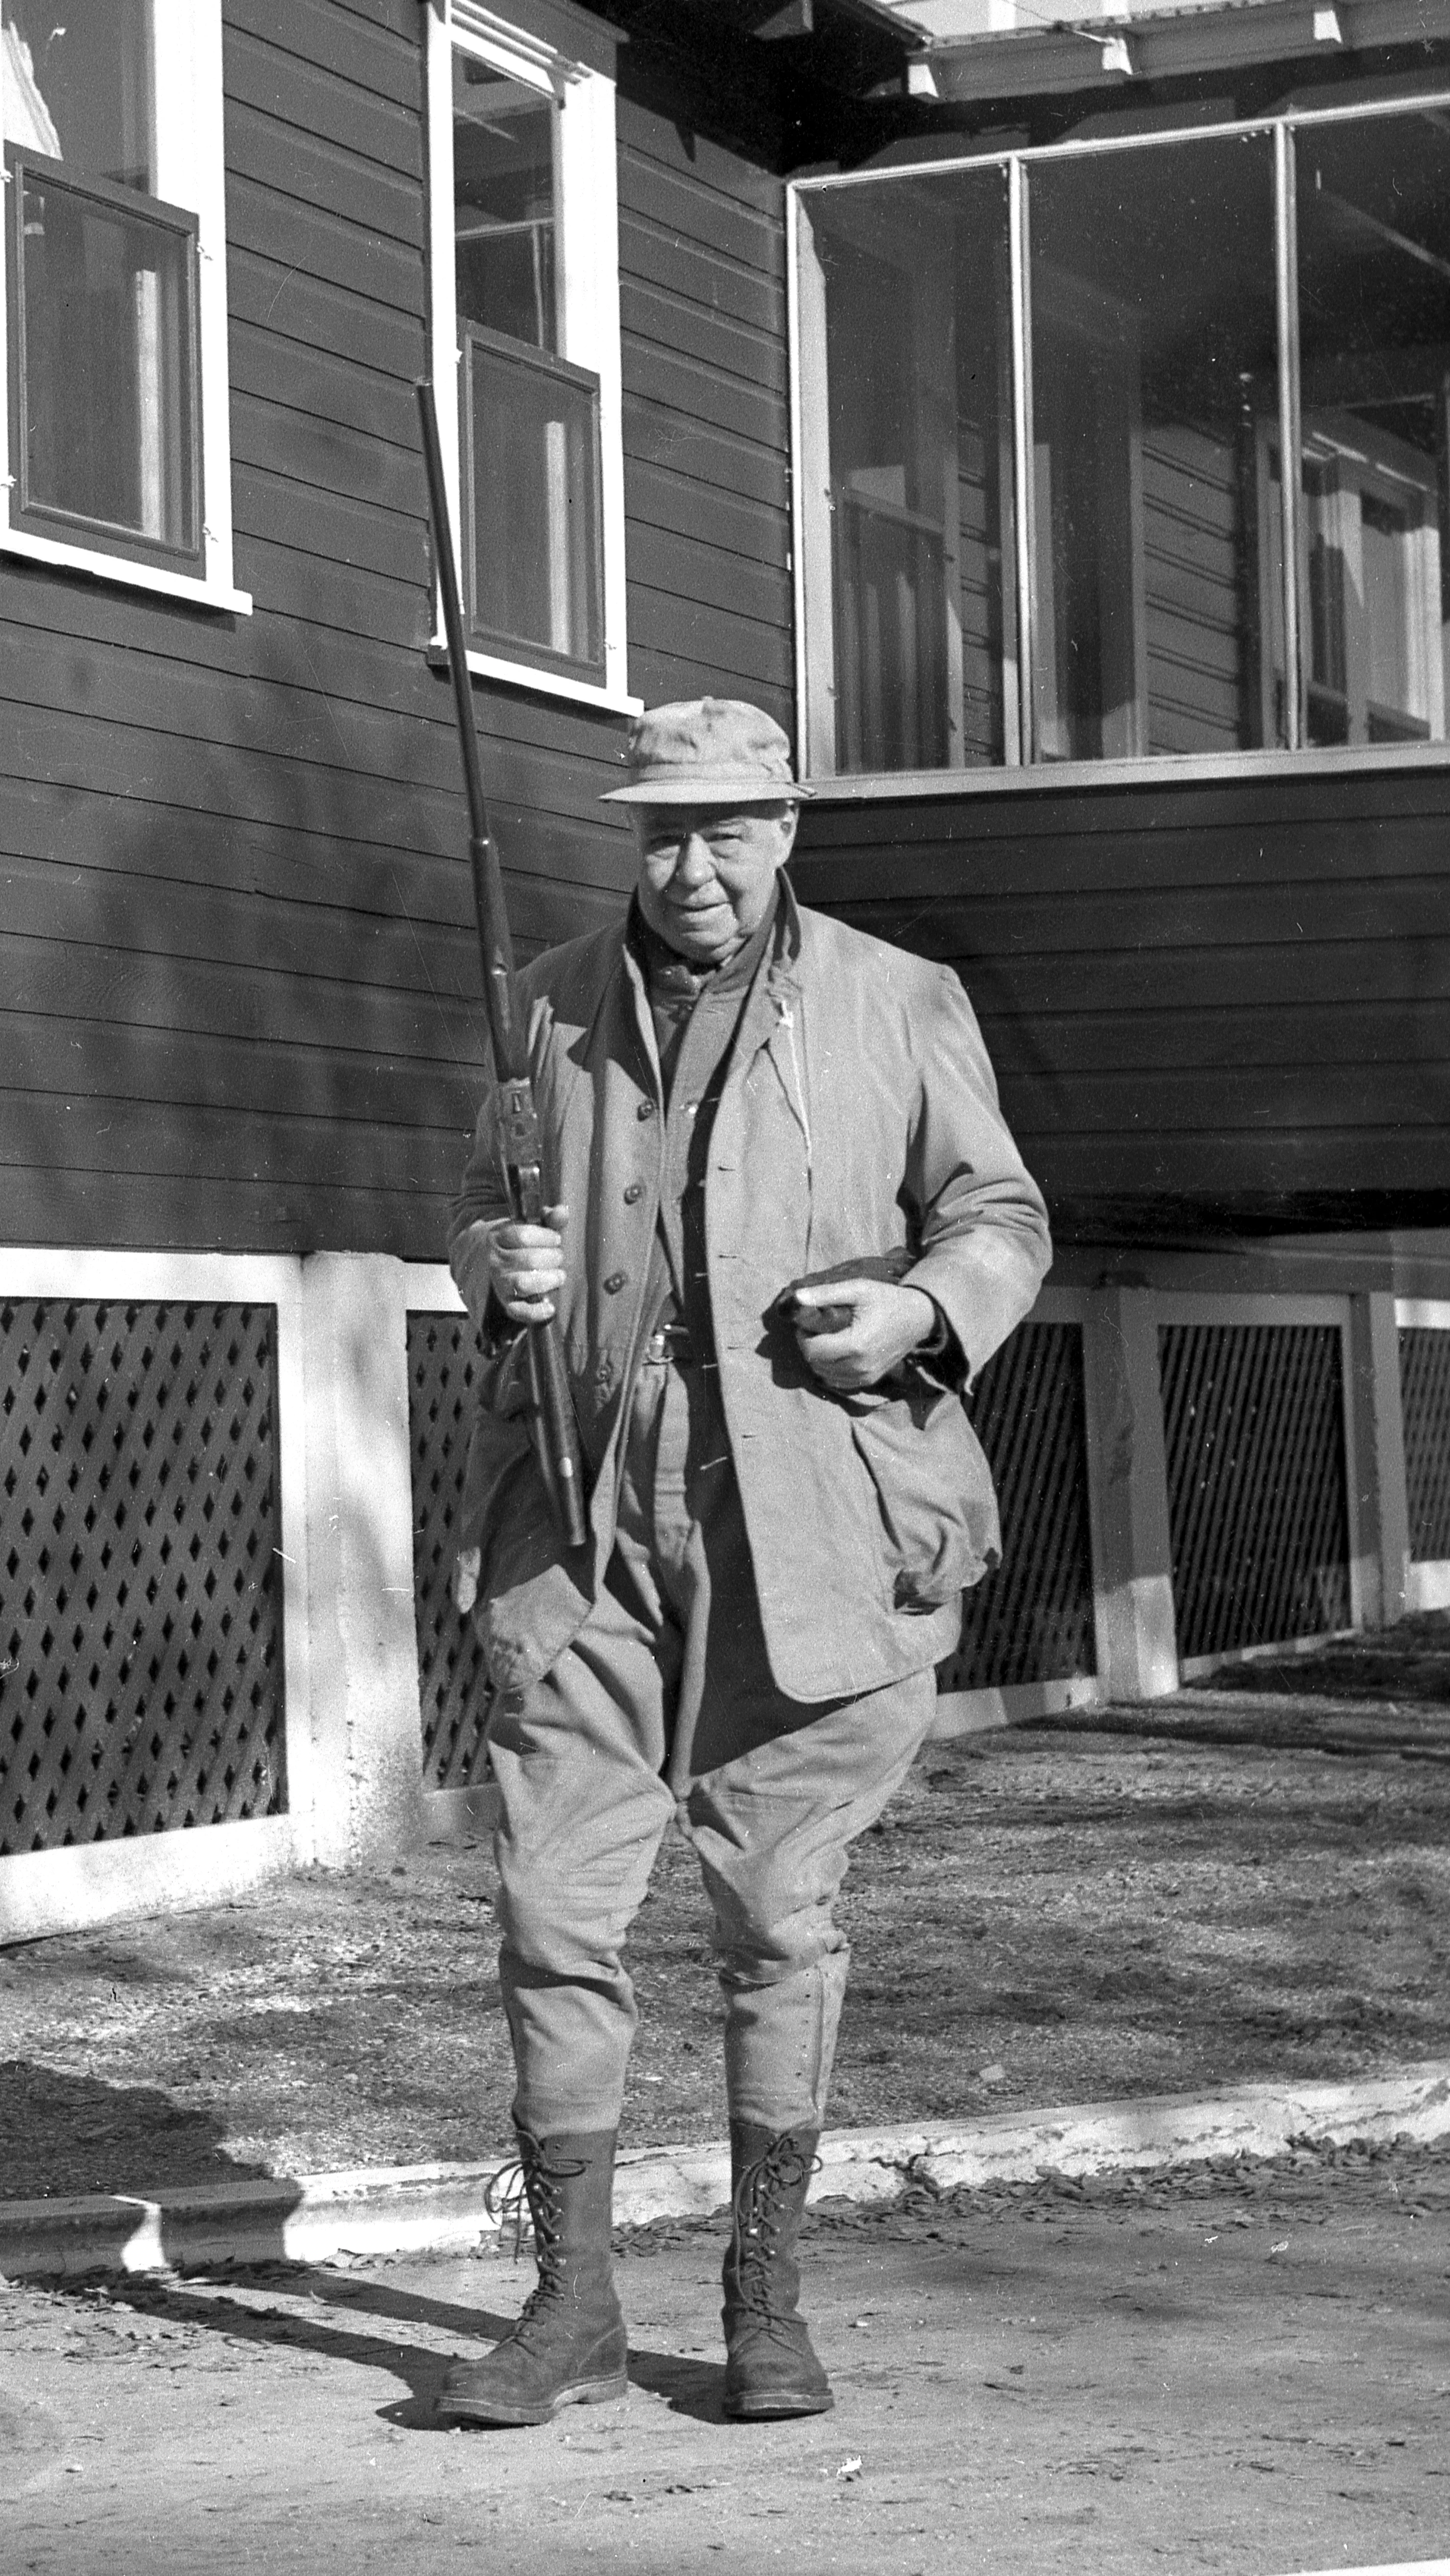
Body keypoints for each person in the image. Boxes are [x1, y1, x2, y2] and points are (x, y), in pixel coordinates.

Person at [437, 697, 1050, 2429]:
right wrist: (497, 1261)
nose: (690, 867)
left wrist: (923, 1307)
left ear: (787, 828)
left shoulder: (896, 998)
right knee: (552, 1907)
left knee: (779, 1912)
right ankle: (570, 2308)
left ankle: (763, 2296)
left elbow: (1000, 1215)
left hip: (813, 1508)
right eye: (660, 831)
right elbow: (481, 1192)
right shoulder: (548, 997)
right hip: (582, 1516)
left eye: (726, 830)